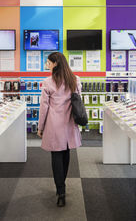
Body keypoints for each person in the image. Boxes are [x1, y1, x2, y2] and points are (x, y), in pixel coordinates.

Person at [37, 52, 82, 207]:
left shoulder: (48, 82)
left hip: (54, 125)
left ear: (55, 64)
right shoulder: (75, 80)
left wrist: (40, 127)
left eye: (48, 62)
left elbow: (44, 107)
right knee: (66, 152)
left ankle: (60, 190)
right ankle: (62, 184)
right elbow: (78, 102)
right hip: (69, 123)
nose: (47, 64)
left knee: (56, 155)